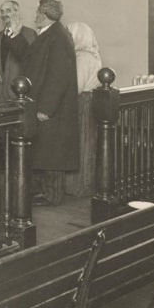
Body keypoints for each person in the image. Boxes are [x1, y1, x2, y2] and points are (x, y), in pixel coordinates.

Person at [6, 0, 79, 206]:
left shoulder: (58, 37)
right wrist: (15, 34)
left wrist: (46, 108)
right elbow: (28, 56)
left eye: (38, 13)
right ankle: (45, 193)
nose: (35, 16)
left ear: (45, 15)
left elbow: (59, 75)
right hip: (42, 103)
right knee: (45, 150)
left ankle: (52, 196)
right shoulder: (50, 34)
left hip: (51, 107)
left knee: (52, 152)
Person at [64, 21, 103, 198]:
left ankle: (77, 186)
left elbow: (75, 87)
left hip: (82, 102)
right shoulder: (93, 55)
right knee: (87, 143)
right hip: (92, 101)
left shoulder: (81, 58)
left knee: (79, 144)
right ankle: (86, 184)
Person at [0, 0, 36, 103]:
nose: (4, 14)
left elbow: (32, 61)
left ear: (16, 12)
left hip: (20, 93)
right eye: (2, 11)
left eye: (8, 10)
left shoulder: (30, 34)